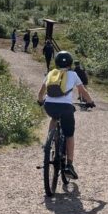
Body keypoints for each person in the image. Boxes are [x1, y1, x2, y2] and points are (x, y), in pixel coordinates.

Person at [37, 50, 95, 179]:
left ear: (56, 62)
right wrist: (90, 102)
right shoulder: (73, 74)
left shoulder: (51, 73)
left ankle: (49, 142)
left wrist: (40, 101)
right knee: (69, 135)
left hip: (50, 106)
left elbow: (41, 92)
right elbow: (82, 90)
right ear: (70, 63)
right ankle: (69, 165)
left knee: (54, 117)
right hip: (66, 108)